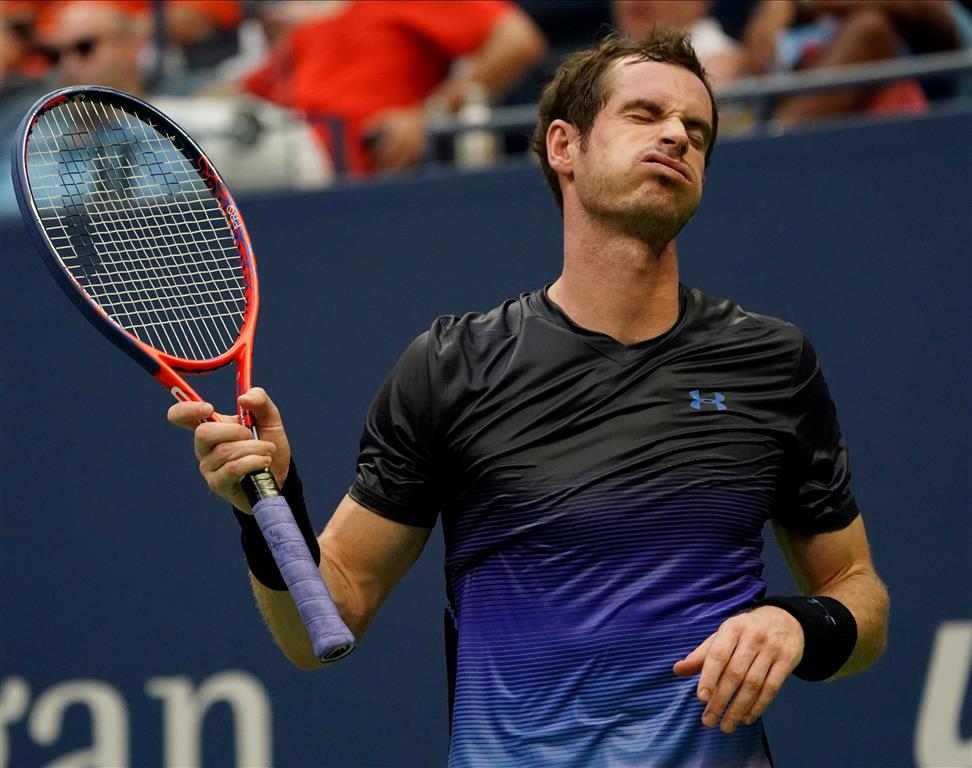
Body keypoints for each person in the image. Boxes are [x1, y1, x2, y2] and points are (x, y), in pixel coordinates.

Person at [169, 28, 889, 767]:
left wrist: (803, 625)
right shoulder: (452, 368)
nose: (676, 134)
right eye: (644, 115)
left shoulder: (769, 362)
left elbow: (857, 591)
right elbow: (327, 620)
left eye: (697, 131)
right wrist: (270, 505)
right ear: (562, 147)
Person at [231, 0, 547, 175]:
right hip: (276, 134)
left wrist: (428, 116)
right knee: (194, 127)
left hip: (335, 158)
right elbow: (242, 90)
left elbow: (518, 40)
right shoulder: (313, 22)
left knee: (190, 145)